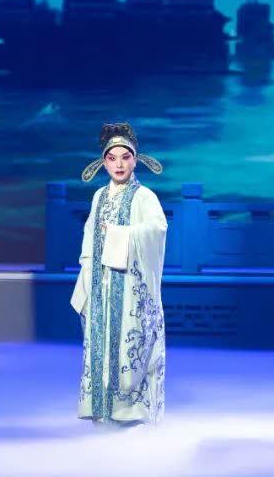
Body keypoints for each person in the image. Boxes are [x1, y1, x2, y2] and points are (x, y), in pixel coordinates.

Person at [71, 123, 167, 425]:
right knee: (100, 345)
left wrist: (120, 235)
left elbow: (157, 230)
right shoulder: (98, 196)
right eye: (112, 158)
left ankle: (131, 409)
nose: (119, 164)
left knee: (130, 348)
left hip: (129, 287)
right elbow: (89, 237)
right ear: (104, 162)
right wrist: (88, 273)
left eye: (125, 157)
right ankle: (100, 407)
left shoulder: (144, 197)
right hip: (100, 285)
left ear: (135, 160)